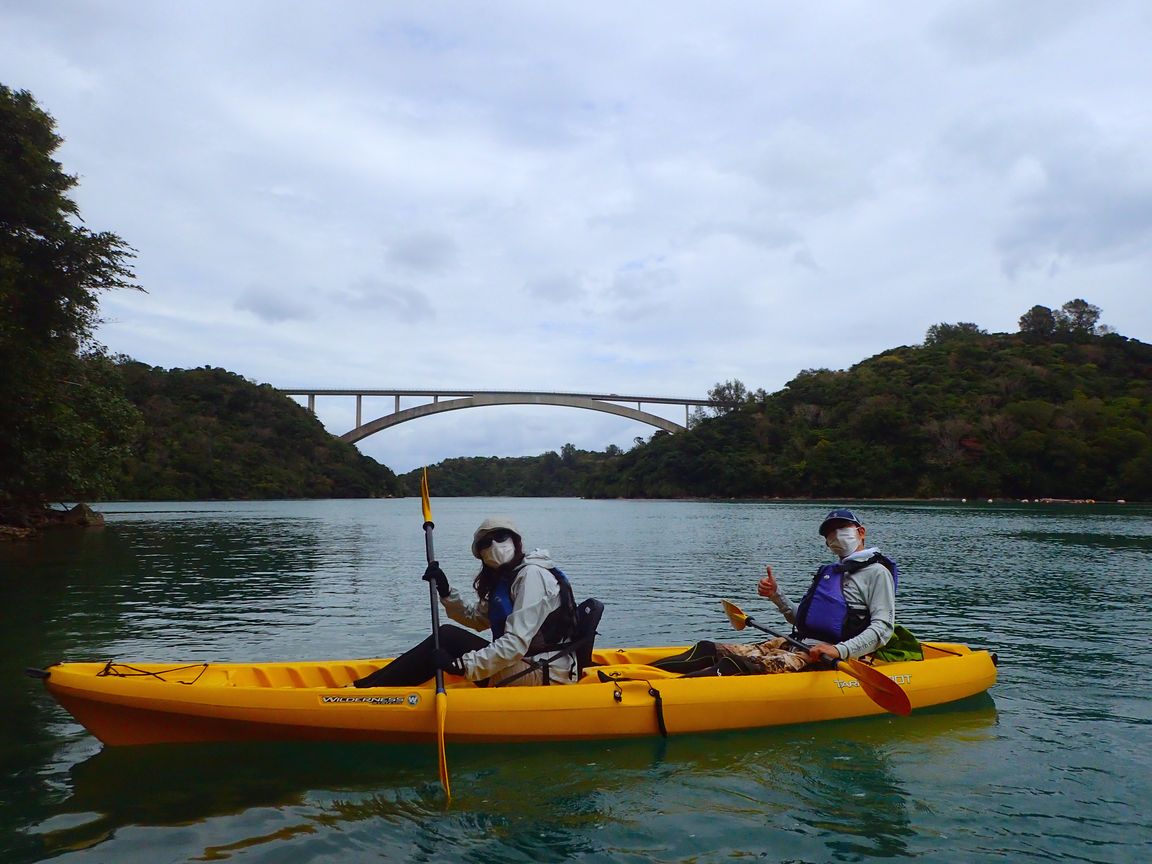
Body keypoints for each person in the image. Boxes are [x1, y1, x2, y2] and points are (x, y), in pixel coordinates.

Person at [651, 508, 898, 676]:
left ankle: (652, 694)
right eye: (830, 533)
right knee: (707, 649)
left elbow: (883, 629)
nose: (835, 536)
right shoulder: (831, 571)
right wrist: (776, 596)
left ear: (861, 532)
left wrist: (839, 650)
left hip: (827, 657)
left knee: (733, 665)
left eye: (842, 528)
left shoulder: (876, 573)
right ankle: (628, 679)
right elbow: (801, 619)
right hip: (795, 643)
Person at [352, 517, 581, 688]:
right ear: (481, 555)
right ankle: (371, 686)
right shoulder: (508, 578)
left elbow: (514, 644)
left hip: (543, 673)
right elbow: (477, 619)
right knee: (446, 636)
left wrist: (464, 665)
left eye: (500, 537)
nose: (494, 546)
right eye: (486, 543)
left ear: (515, 541)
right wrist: (445, 589)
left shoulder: (532, 575)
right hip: (524, 664)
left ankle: (370, 690)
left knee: (447, 636)